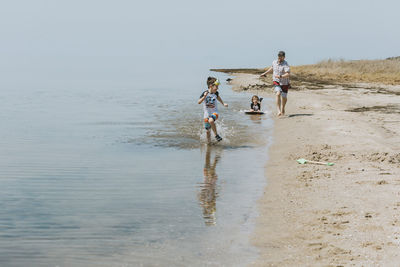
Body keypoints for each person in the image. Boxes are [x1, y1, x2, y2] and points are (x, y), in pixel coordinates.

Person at [260, 51, 290, 116]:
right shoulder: (274, 62)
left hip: (284, 82)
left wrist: (281, 76)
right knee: (278, 94)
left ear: (284, 57)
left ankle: (283, 107)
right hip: (276, 81)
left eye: (281, 57)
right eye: (279, 56)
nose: (279, 58)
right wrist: (264, 73)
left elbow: (288, 74)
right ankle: (278, 110)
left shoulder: (285, 64)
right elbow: (272, 69)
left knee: (284, 97)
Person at [198, 77, 228, 143]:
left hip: (215, 112)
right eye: (216, 86)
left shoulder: (216, 93)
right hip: (206, 115)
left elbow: (218, 98)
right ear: (211, 86)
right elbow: (199, 102)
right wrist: (204, 97)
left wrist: (223, 103)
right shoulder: (204, 93)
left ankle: (216, 135)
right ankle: (209, 144)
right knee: (208, 132)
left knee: (211, 120)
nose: (217, 88)